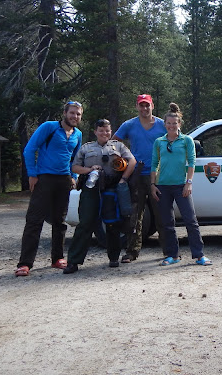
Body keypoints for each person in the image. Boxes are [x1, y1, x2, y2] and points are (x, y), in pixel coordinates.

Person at [15, 101, 83, 277]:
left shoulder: (78, 134)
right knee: (34, 220)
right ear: (65, 113)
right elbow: (30, 149)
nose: (75, 116)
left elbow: (75, 158)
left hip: (64, 180)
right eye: (72, 113)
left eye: (78, 114)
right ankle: (25, 263)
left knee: (60, 221)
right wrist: (32, 174)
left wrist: (74, 176)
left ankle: (57, 258)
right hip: (44, 178)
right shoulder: (49, 127)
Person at [64, 119, 136, 274]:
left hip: (111, 188)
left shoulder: (118, 146)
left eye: (107, 130)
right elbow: (75, 167)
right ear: (95, 131)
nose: (105, 133)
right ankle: (73, 261)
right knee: (85, 223)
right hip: (91, 189)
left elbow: (132, 161)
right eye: (101, 130)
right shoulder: (86, 147)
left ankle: (114, 257)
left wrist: (123, 179)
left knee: (112, 223)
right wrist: (89, 170)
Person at [151, 102, 212, 266]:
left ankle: (199, 255)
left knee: (190, 221)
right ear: (165, 124)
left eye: (174, 123)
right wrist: (153, 184)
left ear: (179, 124)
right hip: (162, 186)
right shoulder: (159, 142)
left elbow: (192, 162)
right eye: (168, 123)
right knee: (167, 223)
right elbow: (154, 163)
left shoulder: (187, 140)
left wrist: (188, 183)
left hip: (181, 185)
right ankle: (173, 255)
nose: (171, 126)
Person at [113, 94, 166, 263]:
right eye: (141, 105)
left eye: (147, 105)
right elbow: (114, 142)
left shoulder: (162, 125)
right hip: (136, 175)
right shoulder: (129, 125)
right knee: (134, 215)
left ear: (152, 106)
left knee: (162, 214)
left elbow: (175, 140)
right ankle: (131, 251)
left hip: (157, 175)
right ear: (137, 107)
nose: (144, 108)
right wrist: (123, 158)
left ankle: (168, 250)